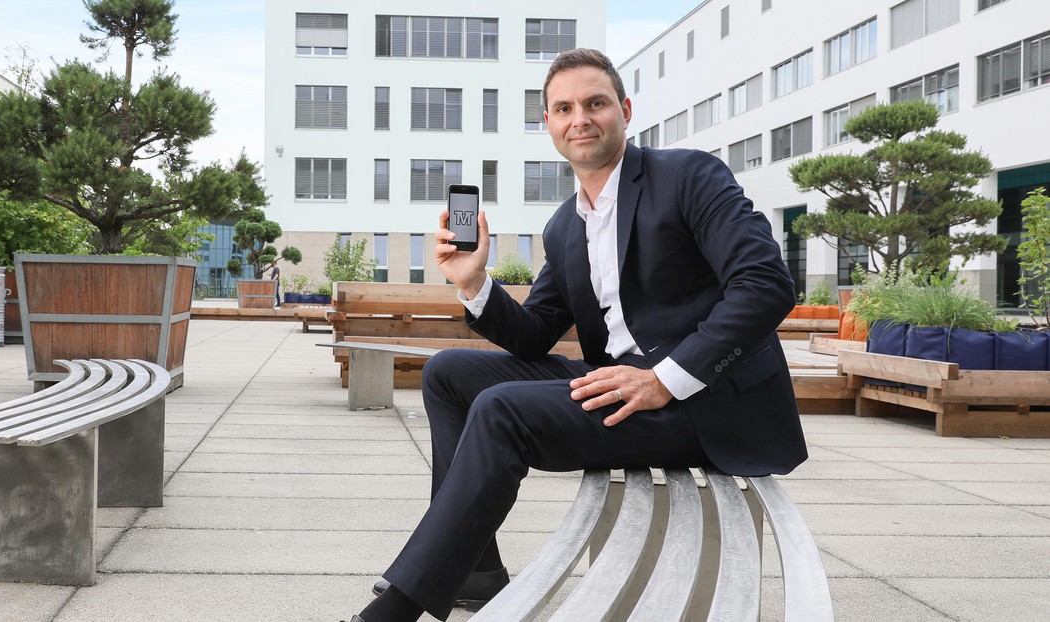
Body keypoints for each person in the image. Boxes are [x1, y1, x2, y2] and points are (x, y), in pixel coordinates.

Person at [343, 48, 807, 622]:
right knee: (449, 374)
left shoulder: (689, 176)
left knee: (501, 410)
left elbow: (765, 283)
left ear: (625, 110)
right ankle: (476, 570)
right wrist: (474, 283)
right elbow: (536, 333)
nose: (579, 118)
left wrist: (664, 379)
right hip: (619, 382)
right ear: (549, 125)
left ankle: (399, 610)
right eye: (563, 108)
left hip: (703, 400)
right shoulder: (565, 225)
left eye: (595, 103)